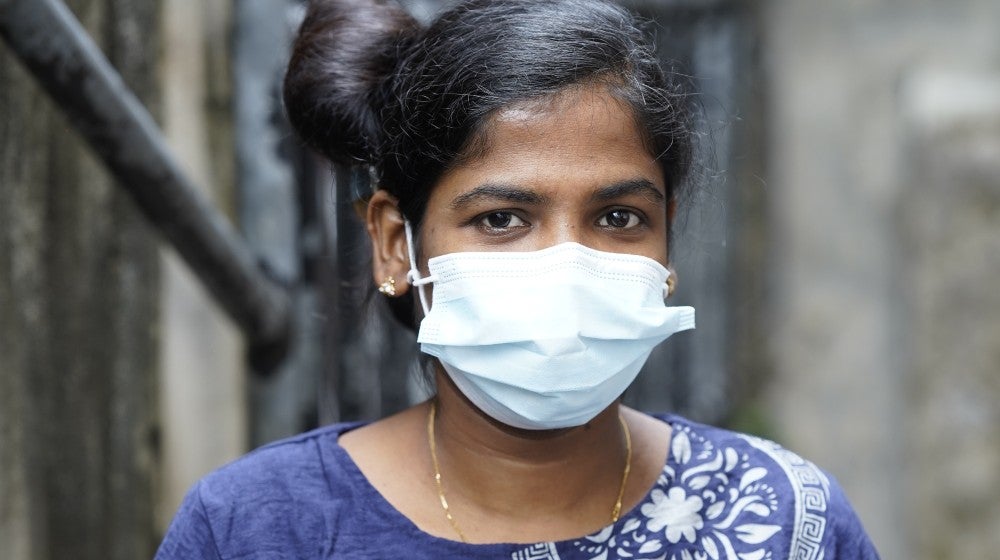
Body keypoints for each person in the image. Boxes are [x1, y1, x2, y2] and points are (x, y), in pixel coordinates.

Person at [156, 0, 880, 558]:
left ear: (666, 245)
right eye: (502, 219)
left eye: (619, 217)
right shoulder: (258, 528)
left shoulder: (779, 521)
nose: (565, 263)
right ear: (393, 244)